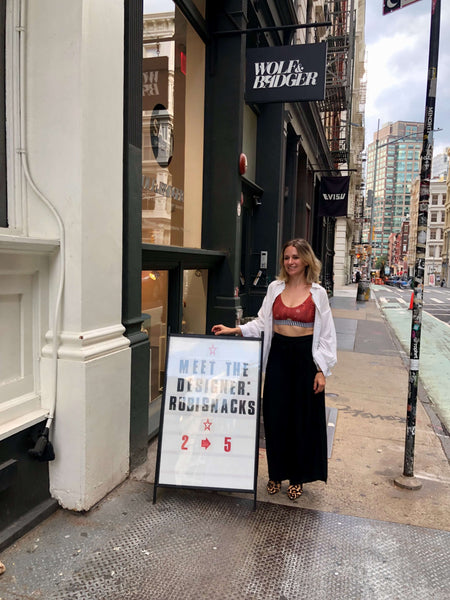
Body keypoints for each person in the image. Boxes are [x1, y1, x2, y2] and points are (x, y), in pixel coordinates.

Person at [212, 239, 337, 500]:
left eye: (295, 257)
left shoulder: (318, 293)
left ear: (306, 260)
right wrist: (234, 329)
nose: (290, 262)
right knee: (275, 417)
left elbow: (327, 335)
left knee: (302, 421)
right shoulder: (274, 288)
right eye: (287, 257)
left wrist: (321, 370)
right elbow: (261, 322)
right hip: (278, 357)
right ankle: (275, 474)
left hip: (305, 360)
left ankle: (298, 477)